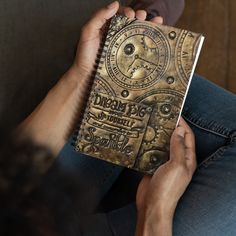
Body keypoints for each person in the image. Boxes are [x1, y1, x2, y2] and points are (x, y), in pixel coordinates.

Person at [0, 1, 235, 235]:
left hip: (33, 211)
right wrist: (155, 212)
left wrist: (81, 77)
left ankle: (119, 59)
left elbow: (8, 179)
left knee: (111, 107)